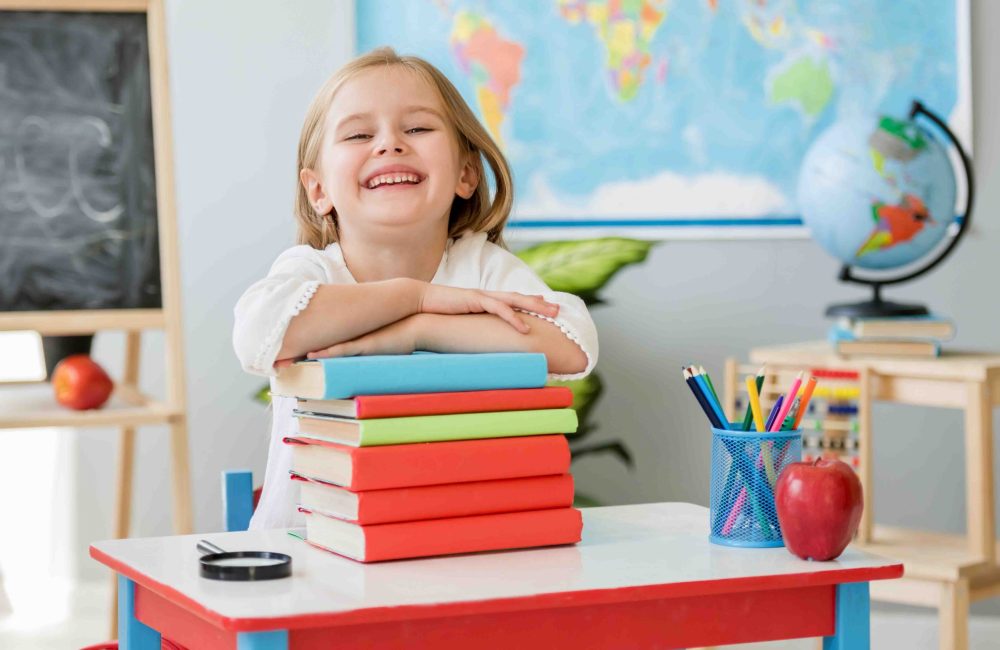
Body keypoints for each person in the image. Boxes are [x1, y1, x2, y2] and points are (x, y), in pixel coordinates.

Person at [233, 47, 598, 529]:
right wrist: (413, 296)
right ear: (318, 190)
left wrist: (418, 330)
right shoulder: (312, 272)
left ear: (466, 173)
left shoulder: (481, 267)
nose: (389, 145)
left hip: (452, 537)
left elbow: (573, 346)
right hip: (310, 544)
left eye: (418, 128)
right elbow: (258, 335)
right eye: (360, 134)